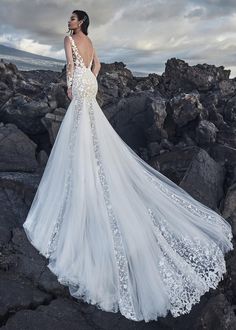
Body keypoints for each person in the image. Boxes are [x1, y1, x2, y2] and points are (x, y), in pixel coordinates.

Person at [23, 10, 234, 323]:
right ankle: (92, 165)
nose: (69, 22)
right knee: (91, 129)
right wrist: (90, 78)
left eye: (72, 18)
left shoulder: (69, 40)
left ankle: (83, 174)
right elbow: (97, 64)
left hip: (80, 86)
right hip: (90, 85)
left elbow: (70, 64)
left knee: (78, 130)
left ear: (79, 22)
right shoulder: (91, 41)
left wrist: (71, 84)